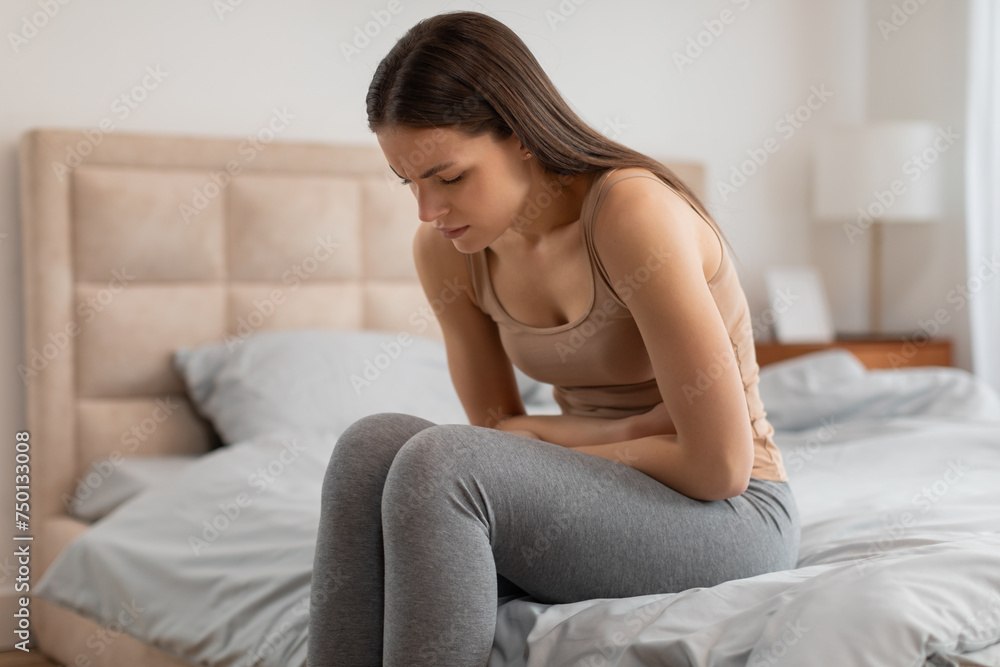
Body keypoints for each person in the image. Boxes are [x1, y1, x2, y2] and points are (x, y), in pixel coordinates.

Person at [308, 10, 800, 667]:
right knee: (369, 447)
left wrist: (545, 433)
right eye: (410, 182)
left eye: (449, 177)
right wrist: (626, 430)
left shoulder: (632, 213)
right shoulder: (447, 251)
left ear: (520, 136)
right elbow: (494, 437)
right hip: (602, 491)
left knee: (436, 465)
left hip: (732, 514)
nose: (428, 210)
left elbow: (718, 464)